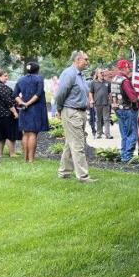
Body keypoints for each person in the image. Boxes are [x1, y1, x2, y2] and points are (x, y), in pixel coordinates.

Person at [54, 50, 95, 182]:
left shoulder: (80, 75)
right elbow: (60, 94)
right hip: (72, 111)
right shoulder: (69, 73)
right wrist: (59, 109)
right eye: (86, 59)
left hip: (80, 112)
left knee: (70, 143)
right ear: (77, 60)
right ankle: (83, 176)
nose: (88, 62)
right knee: (78, 144)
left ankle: (64, 172)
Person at [14, 61, 50, 162]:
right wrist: (28, 103)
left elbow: (15, 94)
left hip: (24, 110)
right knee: (33, 133)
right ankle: (31, 159)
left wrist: (22, 103)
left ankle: (25, 158)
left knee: (25, 133)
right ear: (37, 70)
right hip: (36, 109)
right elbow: (38, 94)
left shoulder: (20, 79)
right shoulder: (39, 78)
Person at [111, 59, 139, 162]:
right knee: (132, 134)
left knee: (124, 134)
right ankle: (128, 156)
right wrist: (138, 97)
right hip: (127, 109)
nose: (129, 69)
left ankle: (123, 155)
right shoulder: (125, 81)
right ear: (124, 68)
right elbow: (133, 98)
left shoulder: (114, 79)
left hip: (118, 109)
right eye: (128, 67)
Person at [0, 70, 20, 159]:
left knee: (1, 135)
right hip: (7, 114)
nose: (7, 78)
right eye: (5, 76)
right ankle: (12, 153)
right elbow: (8, 101)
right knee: (11, 134)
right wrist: (15, 112)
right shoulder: (2, 87)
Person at [89, 69, 113, 139]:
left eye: (103, 73)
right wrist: (92, 100)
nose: (102, 74)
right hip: (97, 103)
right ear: (97, 74)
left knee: (106, 119)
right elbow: (90, 92)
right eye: (101, 73)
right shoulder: (93, 83)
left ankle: (107, 134)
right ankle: (99, 133)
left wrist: (111, 101)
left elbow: (110, 93)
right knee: (98, 119)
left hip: (106, 103)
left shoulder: (107, 82)